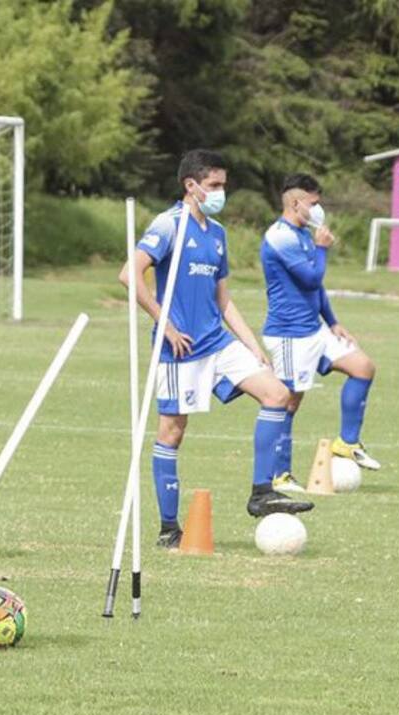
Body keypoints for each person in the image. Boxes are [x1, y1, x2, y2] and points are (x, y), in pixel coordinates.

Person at [119, 149, 312, 549]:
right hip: (180, 347)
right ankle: (169, 529)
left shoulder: (218, 234)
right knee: (173, 431)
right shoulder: (169, 224)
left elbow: (223, 299)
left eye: (223, 184)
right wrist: (164, 323)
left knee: (277, 393)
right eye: (214, 185)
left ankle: (261, 492)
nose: (221, 191)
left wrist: (251, 344)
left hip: (217, 341)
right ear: (191, 186)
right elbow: (129, 274)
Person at [261, 173, 380, 491]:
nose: (318, 210)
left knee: (363, 367)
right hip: (289, 335)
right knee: (288, 401)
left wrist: (333, 321)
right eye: (314, 204)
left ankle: (347, 442)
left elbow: (317, 290)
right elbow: (311, 278)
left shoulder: (302, 233)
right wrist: (323, 249)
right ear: (296, 202)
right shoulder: (279, 237)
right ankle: (279, 474)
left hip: (315, 329)